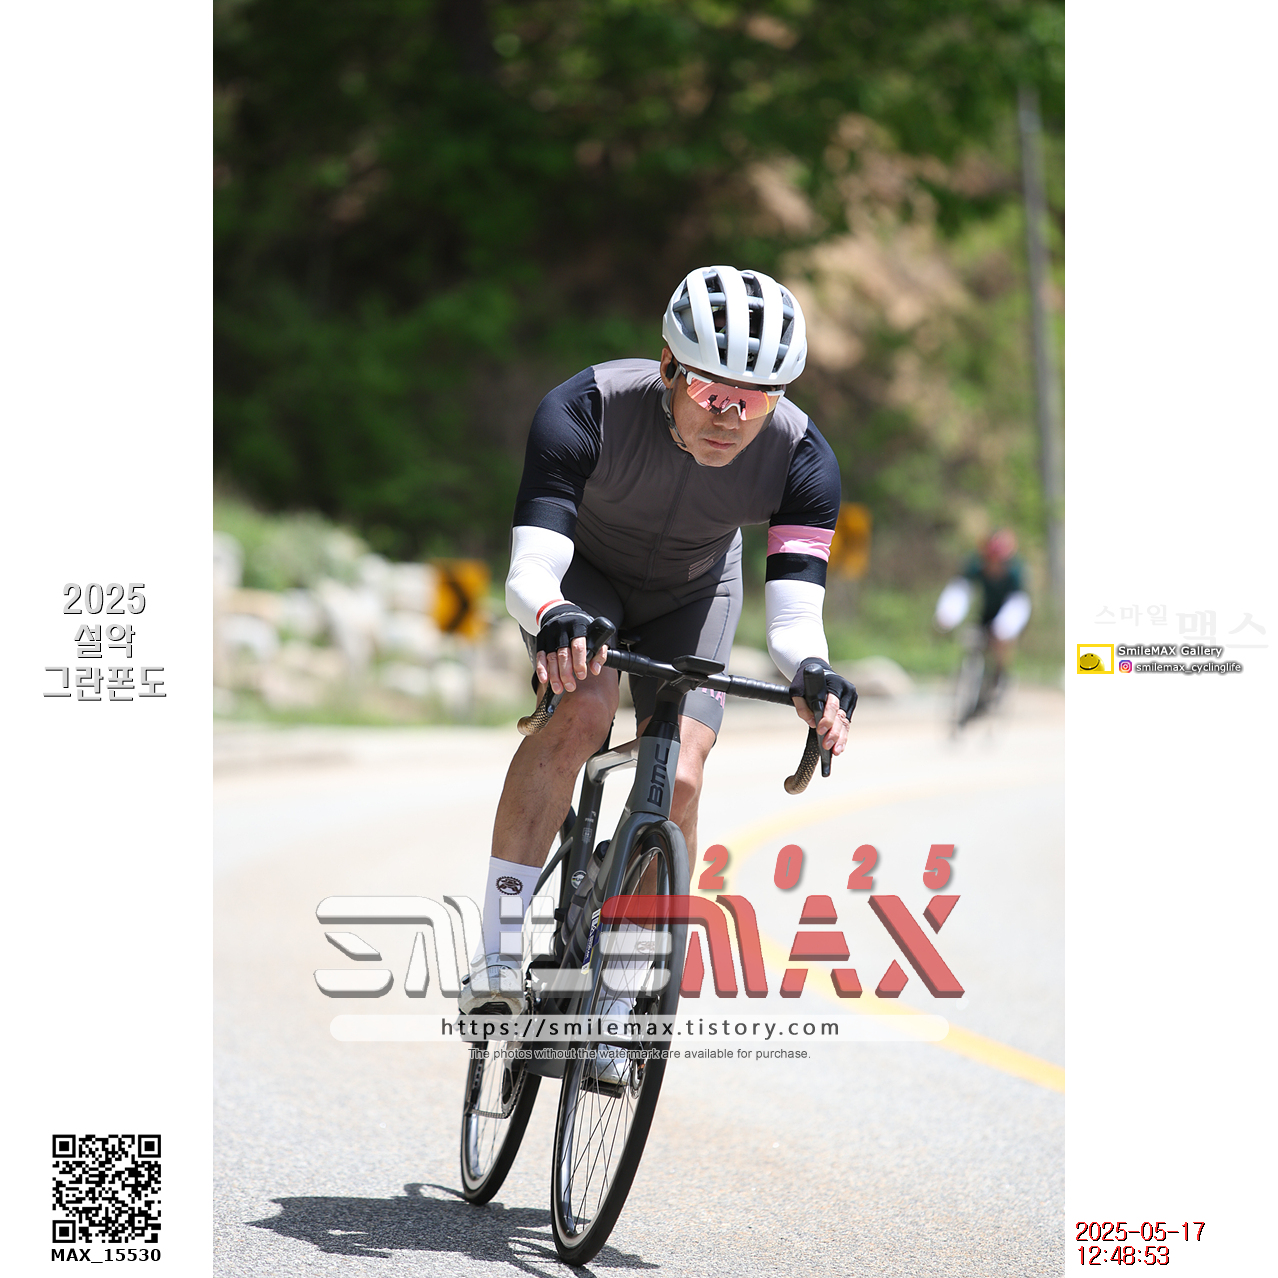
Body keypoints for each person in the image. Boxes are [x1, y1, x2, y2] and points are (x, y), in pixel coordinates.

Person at [460, 265, 857, 1017]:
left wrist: (814, 671)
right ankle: (498, 950)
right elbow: (531, 568)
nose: (731, 417)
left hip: (696, 592)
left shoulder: (804, 458)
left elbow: (795, 620)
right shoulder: (587, 407)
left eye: (756, 400)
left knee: (681, 775)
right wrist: (551, 612)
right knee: (582, 714)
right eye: (711, 393)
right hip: (584, 583)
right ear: (670, 366)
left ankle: (618, 996)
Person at [933, 529, 1032, 710]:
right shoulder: (976, 566)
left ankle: (1000, 676)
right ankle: (969, 681)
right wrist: (947, 615)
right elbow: (960, 591)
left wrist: (1004, 629)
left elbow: (1017, 606)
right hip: (986, 612)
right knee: (974, 639)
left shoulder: (1015, 573)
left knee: (1001, 636)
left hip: (1008, 610)